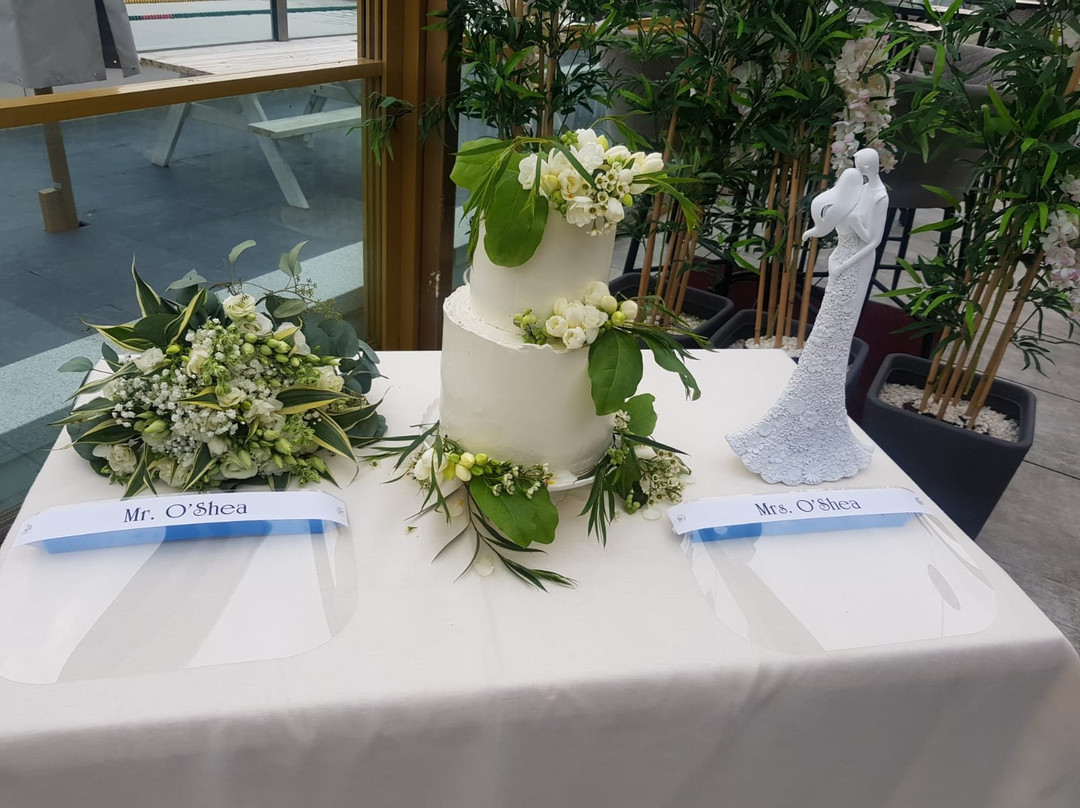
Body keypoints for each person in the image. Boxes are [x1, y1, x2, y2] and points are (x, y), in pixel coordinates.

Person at [725, 148, 889, 485]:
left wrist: (846, 255)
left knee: (835, 333)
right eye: (858, 164)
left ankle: (825, 421)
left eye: (864, 164)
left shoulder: (880, 196)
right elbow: (838, 215)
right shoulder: (855, 185)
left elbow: (873, 240)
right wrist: (823, 235)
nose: (860, 168)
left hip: (855, 263)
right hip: (842, 260)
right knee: (825, 331)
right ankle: (805, 409)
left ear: (874, 165)